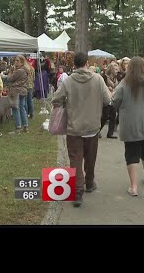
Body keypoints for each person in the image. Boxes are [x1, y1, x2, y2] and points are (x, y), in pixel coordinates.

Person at [51, 52, 111, 207]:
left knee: (75, 160)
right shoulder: (98, 79)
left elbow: (56, 99)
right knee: (91, 158)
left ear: (74, 65)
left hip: (74, 128)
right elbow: (107, 100)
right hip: (92, 127)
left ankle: (78, 193)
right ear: (86, 63)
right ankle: (89, 183)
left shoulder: (68, 81)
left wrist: (66, 105)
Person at [111, 56, 144, 197]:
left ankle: (133, 186)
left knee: (132, 154)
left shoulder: (124, 84)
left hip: (131, 125)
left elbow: (115, 101)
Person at [5, 55, 30, 133]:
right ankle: (25, 126)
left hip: (16, 91)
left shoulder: (19, 71)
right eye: (15, 60)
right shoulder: (25, 70)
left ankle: (18, 128)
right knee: (22, 108)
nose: (15, 62)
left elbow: (9, 79)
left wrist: (10, 72)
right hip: (23, 90)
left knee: (15, 108)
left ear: (22, 62)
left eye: (17, 60)